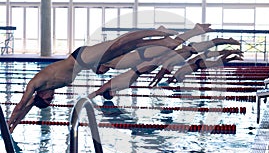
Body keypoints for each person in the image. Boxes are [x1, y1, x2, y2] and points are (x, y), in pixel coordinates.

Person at [7, 26, 181, 132]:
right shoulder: (44, 90)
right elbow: (26, 109)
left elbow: (22, 104)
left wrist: (7, 122)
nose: (52, 97)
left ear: (41, 94)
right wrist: (13, 127)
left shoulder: (36, 83)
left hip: (81, 57)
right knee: (125, 49)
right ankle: (162, 41)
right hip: (87, 62)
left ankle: (159, 32)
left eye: (49, 98)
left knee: (119, 44)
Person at [88, 47, 243, 100]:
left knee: (163, 59)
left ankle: (232, 53)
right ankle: (233, 54)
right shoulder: (118, 85)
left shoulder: (110, 84)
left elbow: (98, 91)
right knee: (217, 61)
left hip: (140, 69)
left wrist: (88, 98)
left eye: (112, 94)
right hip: (142, 69)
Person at [149, 38, 240, 86]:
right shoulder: (176, 69)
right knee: (217, 58)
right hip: (196, 58)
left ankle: (230, 45)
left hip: (193, 53)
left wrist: (155, 82)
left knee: (214, 44)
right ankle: (232, 53)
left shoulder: (168, 64)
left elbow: (160, 74)